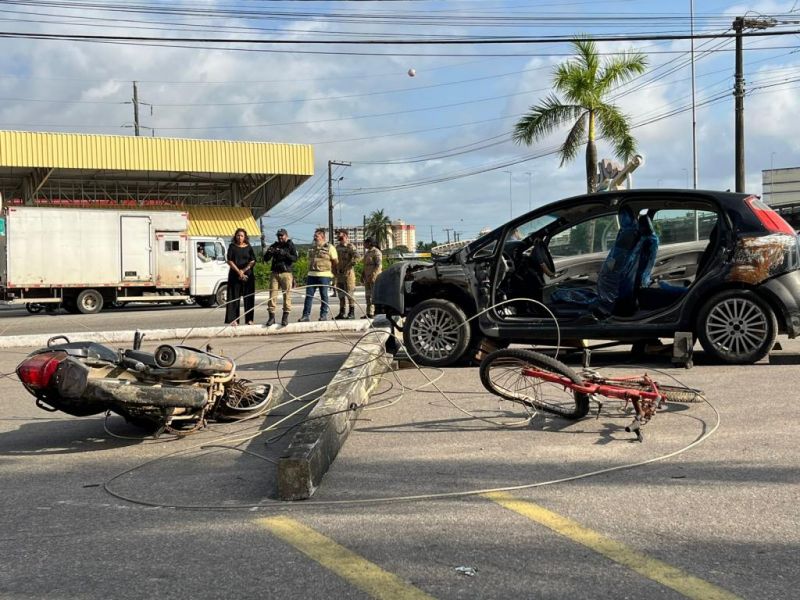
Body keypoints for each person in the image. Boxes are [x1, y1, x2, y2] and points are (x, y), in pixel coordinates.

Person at [299, 228, 338, 322]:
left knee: (324, 295)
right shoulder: (312, 248)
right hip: (312, 275)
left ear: (323, 237)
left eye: (317, 236)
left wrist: (331, 273)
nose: (315, 238)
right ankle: (305, 315)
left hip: (324, 275)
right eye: (314, 236)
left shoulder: (330, 247)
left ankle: (323, 315)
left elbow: (335, 261)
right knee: (309, 296)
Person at [263, 228, 298, 327]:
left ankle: (285, 317)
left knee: (287, 296)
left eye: (281, 235)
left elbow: (295, 258)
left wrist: (285, 253)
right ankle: (271, 317)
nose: (280, 237)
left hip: (286, 273)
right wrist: (269, 252)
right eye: (278, 236)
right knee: (272, 295)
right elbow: (265, 259)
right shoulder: (275, 245)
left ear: (286, 235)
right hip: (275, 273)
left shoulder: (290, 245)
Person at [225, 228, 256, 326]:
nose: (240, 237)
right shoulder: (232, 247)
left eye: (242, 236)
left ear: (245, 237)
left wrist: (244, 270)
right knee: (234, 298)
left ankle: (249, 319)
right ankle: (234, 320)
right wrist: (239, 272)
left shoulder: (249, 247)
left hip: (248, 275)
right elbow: (229, 260)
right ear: (235, 236)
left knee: (249, 298)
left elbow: (253, 261)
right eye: (238, 235)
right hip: (235, 275)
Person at [334, 229, 359, 320]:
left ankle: (351, 312)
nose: (338, 236)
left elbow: (357, 257)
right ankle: (342, 312)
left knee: (349, 293)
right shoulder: (337, 247)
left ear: (345, 235)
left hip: (348, 274)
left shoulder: (350, 246)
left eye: (339, 234)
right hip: (339, 274)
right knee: (340, 294)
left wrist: (349, 265)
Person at [362, 237, 383, 319]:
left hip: (374, 277)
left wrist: (373, 275)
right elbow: (365, 265)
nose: (364, 245)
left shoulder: (376, 252)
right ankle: (369, 313)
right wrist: (363, 274)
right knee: (368, 295)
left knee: (374, 296)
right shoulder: (367, 253)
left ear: (369, 243)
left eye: (365, 243)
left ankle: (376, 312)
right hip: (367, 277)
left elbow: (378, 265)